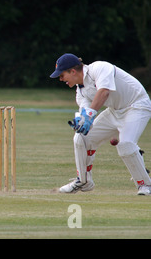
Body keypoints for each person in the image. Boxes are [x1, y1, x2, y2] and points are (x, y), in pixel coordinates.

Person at [50, 53, 151, 196]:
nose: (61, 80)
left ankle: (145, 185)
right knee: (81, 138)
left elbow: (104, 92)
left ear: (72, 71)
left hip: (137, 106)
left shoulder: (99, 68)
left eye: (62, 75)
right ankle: (84, 181)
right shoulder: (81, 92)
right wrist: (82, 121)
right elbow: (85, 112)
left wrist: (89, 115)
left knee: (126, 145)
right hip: (115, 112)